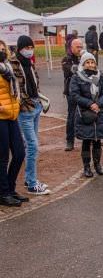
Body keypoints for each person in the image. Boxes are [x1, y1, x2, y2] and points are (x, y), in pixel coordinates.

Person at [10, 35, 50, 195]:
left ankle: (29, 179)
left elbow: (35, 82)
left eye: (31, 47)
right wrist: (26, 103)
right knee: (32, 145)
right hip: (25, 110)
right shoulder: (13, 64)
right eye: (27, 47)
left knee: (30, 145)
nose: (30, 50)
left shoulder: (30, 63)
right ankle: (32, 183)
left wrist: (39, 100)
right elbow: (17, 88)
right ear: (20, 48)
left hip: (35, 106)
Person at [70, 52, 103, 178]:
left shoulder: (100, 76)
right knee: (87, 141)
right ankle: (87, 167)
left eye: (92, 62)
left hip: (99, 112)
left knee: (98, 140)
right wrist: (89, 104)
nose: (90, 64)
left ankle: (98, 165)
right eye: (87, 62)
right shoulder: (76, 77)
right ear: (83, 64)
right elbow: (75, 94)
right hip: (85, 113)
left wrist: (98, 103)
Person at [0, 40, 27, 207]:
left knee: (19, 153)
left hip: (12, 114)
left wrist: (16, 104)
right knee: (2, 158)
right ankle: (3, 193)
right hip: (1, 116)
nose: (2, 52)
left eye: (3, 49)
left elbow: (15, 89)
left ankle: (10, 188)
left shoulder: (7, 68)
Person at [62, 38, 83, 151]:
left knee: (88, 114)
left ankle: (89, 137)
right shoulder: (66, 59)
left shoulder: (85, 57)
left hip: (84, 90)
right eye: (77, 47)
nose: (80, 49)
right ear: (71, 47)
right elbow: (70, 70)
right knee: (72, 115)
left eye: (81, 47)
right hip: (71, 92)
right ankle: (70, 141)